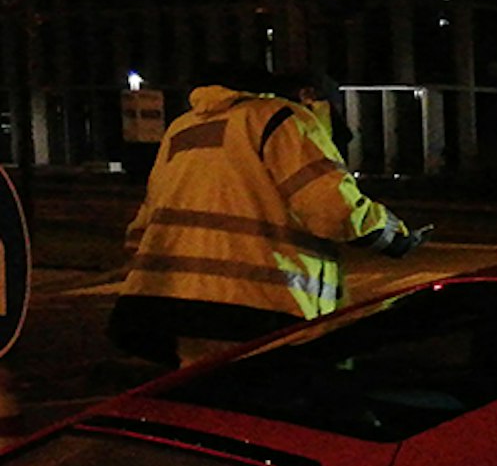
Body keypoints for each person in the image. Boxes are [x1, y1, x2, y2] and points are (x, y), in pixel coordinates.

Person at [109, 63, 425, 367]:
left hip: (177, 308)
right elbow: (332, 209)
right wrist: (395, 237)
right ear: (308, 95)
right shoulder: (281, 119)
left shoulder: (184, 127)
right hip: (262, 308)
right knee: (287, 407)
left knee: (214, 405)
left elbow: (144, 226)